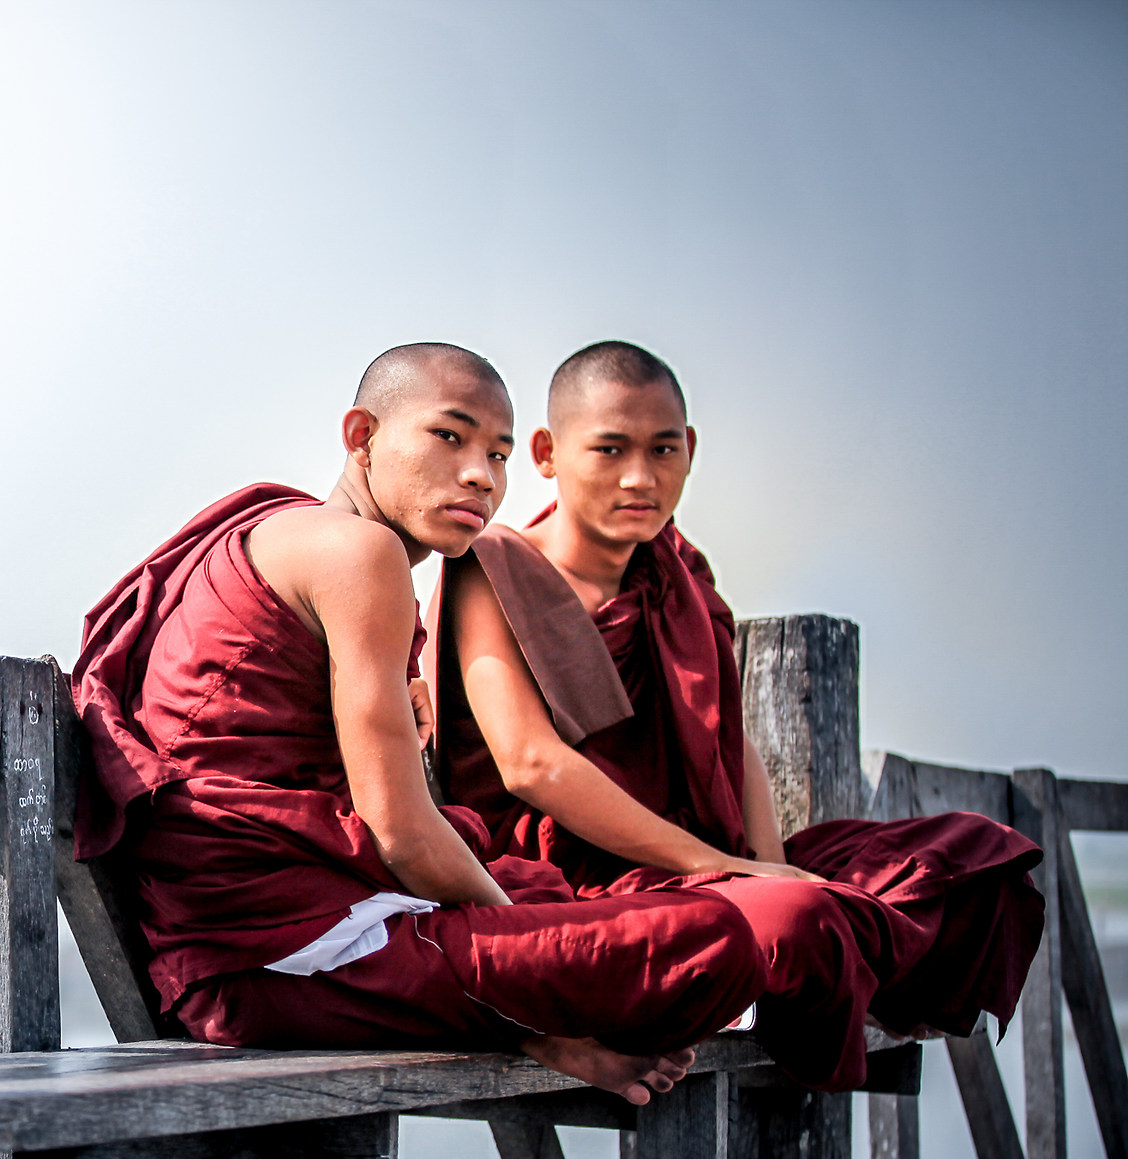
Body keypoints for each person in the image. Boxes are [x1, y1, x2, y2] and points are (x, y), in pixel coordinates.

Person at [71, 343, 764, 1104]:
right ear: (360, 435)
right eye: (450, 436)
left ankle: (543, 1017)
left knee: (572, 902)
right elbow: (399, 828)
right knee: (711, 942)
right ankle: (544, 1026)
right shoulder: (357, 552)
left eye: (499, 455)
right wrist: (527, 961)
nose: (481, 475)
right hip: (274, 958)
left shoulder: (295, 536)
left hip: (270, 933)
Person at [430, 341, 1042, 1091]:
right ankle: (789, 966)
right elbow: (531, 763)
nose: (640, 478)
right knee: (799, 920)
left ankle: (781, 968)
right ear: (549, 453)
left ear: (689, 450)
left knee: (972, 860)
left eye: (662, 450)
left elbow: (727, 734)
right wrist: (718, 869)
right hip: (573, 889)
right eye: (611, 450)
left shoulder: (678, 571)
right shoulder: (491, 568)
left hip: (700, 867)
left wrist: (767, 860)